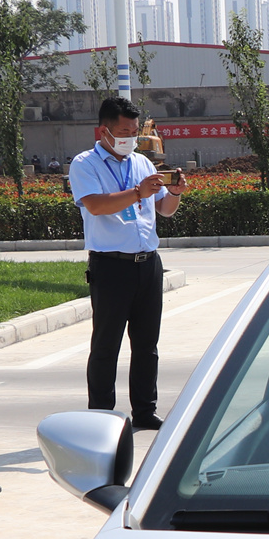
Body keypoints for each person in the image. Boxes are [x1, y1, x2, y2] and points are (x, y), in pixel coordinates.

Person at [70, 97, 186, 429]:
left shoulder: (142, 164)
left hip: (147, 263)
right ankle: (102, 414)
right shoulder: (85, 164)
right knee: (106, 344)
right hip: (111, 266)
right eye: (124, 131)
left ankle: (145, 411)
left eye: (134, 131)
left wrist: (174, 192)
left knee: (147, 344)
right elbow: (94, 205)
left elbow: (164, 209)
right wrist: (137, 193)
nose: (130, 137)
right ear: (103, 131)